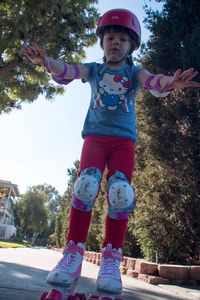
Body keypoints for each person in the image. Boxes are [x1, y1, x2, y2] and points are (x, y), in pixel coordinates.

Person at [23, 8, 200, 294]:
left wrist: (170, 83)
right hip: (94, 139)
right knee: (85, 187)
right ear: (102, 43)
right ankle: (72, 256)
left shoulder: (133, 72)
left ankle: (111, 261)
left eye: (121, 39)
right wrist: (46, 62)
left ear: (130, 45)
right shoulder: (94, 70)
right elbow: (68, 70)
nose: (115, 42)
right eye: (110, 38)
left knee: (120, 195)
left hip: (122, 143)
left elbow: (154, 81)